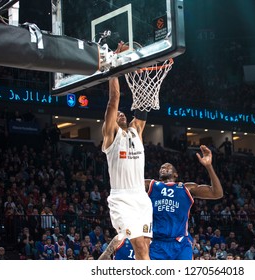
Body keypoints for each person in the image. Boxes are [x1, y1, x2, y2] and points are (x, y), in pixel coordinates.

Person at [101, 43, 152, 260]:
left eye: (124, 114)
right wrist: (115, 64)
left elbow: (143, 104)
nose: (120, 114)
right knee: (139, 247)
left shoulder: (136, 132)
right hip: (121, 197)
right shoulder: (111, 136)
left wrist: (140, 62)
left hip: (141, 197)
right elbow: (114, 100)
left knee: (144, 250)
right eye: (118, 114)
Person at [145, 145, 223, 260]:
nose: (163, 167)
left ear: (176, 175)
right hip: (157, 243)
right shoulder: (151, 185)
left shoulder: (186, 188)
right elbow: (129, 184)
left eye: (168, 167)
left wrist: (209, 166)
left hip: (180, 243)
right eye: (162, 167)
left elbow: (217, 193)